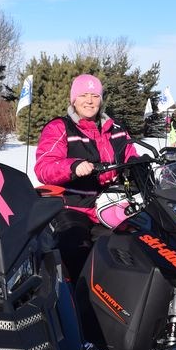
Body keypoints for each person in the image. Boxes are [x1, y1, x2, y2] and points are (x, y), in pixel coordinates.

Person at [34, 73, 140, 280]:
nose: (89, 101)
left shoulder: (115, 128)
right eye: (83, 95)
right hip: (73, 205)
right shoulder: (60, 127)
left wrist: (140, 165)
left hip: (110, 205)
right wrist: (73, 166)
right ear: (73, 99)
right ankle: (74, 299)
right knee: (76, 249)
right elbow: (43, 167)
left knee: (127, 250)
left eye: (95, 95)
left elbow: (131, 155)